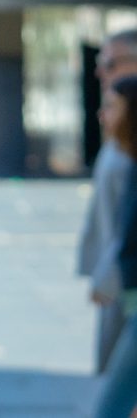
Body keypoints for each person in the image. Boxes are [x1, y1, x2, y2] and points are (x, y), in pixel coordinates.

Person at [79, 29, 137, 373]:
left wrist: (109, 272)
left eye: (110, 64)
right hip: (117, 276)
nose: (101, 72)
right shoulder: (121, 136)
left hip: (124, 277)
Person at [93, 74, 137, 418]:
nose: (103, 115)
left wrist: (104, 278)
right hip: (126, 295)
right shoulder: (121, 155)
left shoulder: (125, 162)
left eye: (112, 107)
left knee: (111, 408)